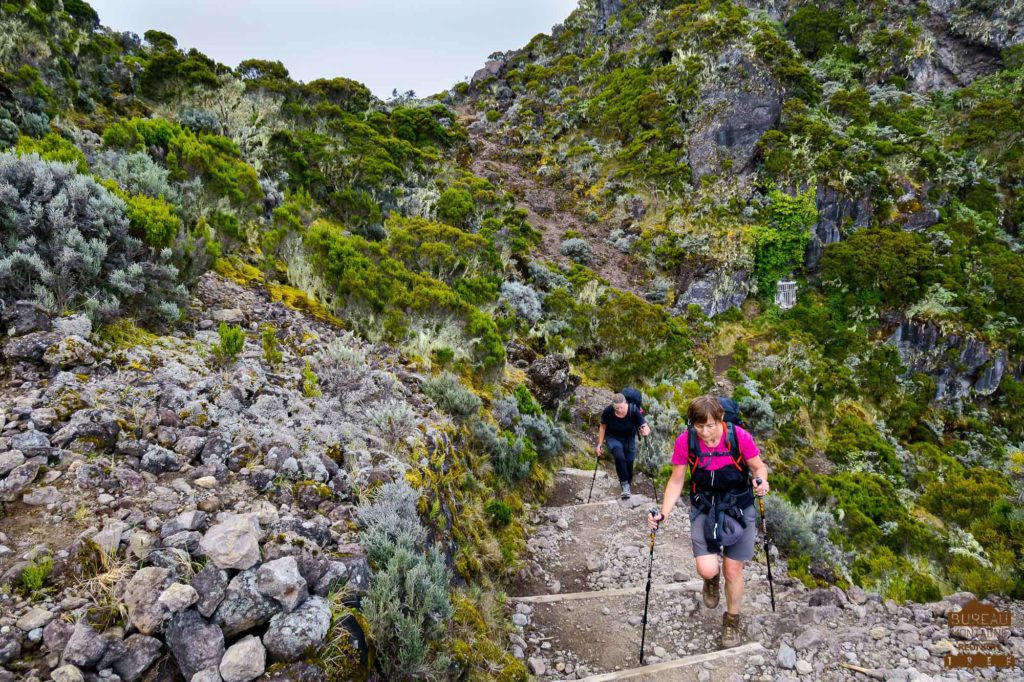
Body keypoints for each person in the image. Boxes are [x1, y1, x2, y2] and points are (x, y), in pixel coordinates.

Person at [648, 395, 769, 648]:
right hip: (705, 505)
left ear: (721, 419)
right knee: (707, 568)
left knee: (733, 570)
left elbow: (758, 467)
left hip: (739, 506)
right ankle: (710, 581)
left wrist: (761, 481)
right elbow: (677, 480)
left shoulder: (739, 437)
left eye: (710, 425)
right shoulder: (687, 441)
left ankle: (732, 620)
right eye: (699, 426)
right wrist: (664, 512)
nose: (705, 432)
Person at [596, 393, 651, 498]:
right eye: (616, 408)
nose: (619, 410)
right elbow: (602, 427)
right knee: (619, 456)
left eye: (621, 407)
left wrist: (645, 431)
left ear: (625, 403)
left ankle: (627, 484)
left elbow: (645, 426)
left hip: (629, 439)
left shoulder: (633, 410)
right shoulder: (608, 411)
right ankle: (624, 485)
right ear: (613, 406)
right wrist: (600, 444)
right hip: (613, 438)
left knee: (629, 463)